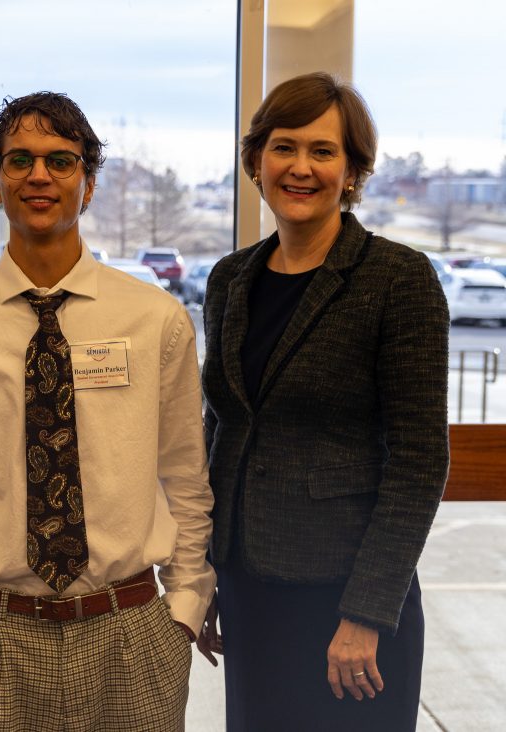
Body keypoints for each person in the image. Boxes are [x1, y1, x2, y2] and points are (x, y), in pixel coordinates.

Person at [0, 91, 215, 732]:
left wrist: (185, 605)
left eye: (61, 161)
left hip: (133, 633)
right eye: (20, 161)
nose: (39, 176)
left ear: (88, 184)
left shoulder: (155, 322)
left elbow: (185, 477)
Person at [198, 71, 449, 731]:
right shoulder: (231, 280)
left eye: (323, 151)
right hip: (250, 591)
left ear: (353, 170)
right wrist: (207, 577)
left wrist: (365, 614)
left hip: (347, 602)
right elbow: (219, 431)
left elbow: (420, 460)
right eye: (284, 147)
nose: (300, 167)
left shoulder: (398, 279)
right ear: (257, 160)